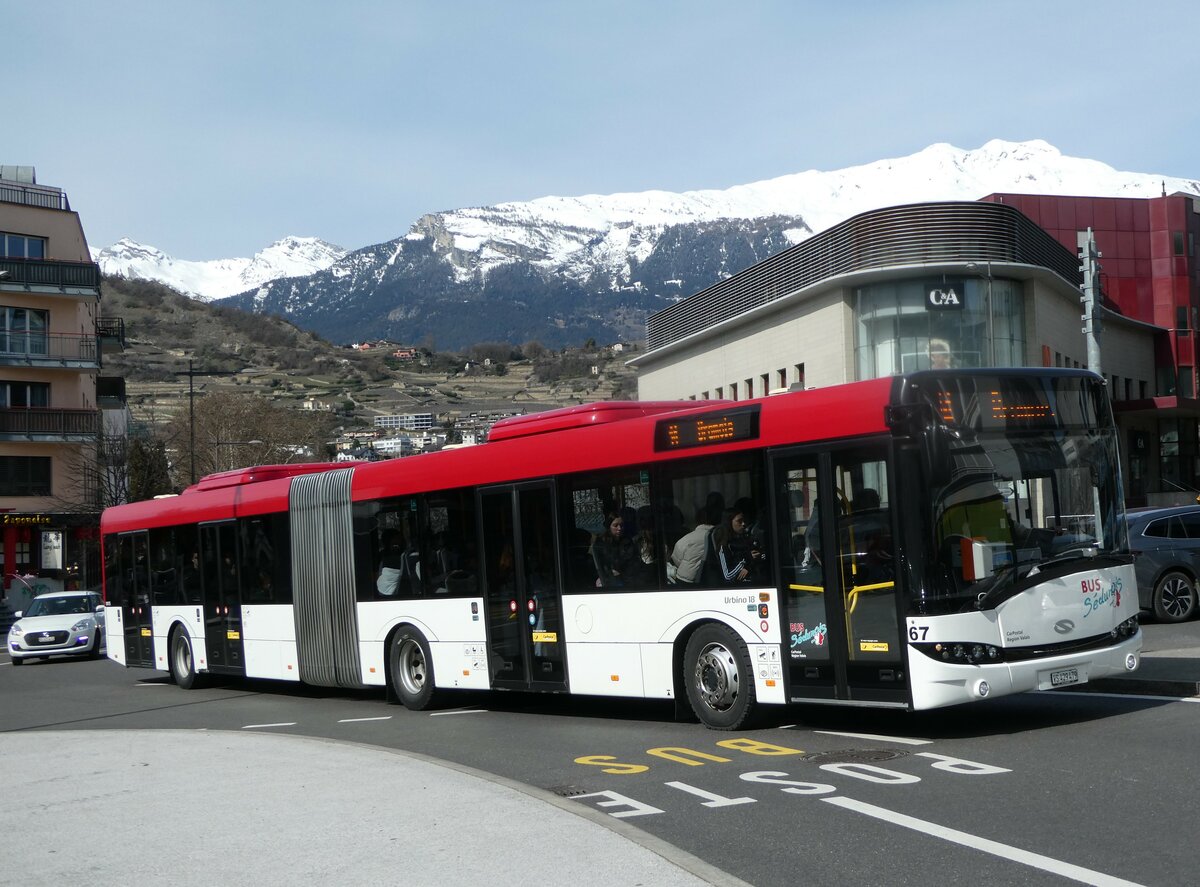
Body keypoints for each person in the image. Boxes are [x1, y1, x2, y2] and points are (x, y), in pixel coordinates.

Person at [711, 506, 763, 583]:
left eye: (744, 520)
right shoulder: (724, 546)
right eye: (739, 521)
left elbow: (759, 556)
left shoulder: (746, 539)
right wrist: (746, 559)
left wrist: (748, 566)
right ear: (729, 522)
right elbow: (727, 575)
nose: (743, 524)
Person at [669, 506, 717, 584]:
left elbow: (676, 557)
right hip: (713, 580)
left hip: (686, 580)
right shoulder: (720, 536)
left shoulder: (688, 538)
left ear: (697, 519)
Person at [591, 512, 638, 587]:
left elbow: (632, 561)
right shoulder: (601, 543)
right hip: (606, 578)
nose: (619, 528)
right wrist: (608, 572)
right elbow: (598, 563)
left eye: (621, 525)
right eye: (615, 525)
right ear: (609, 527)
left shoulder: (627, 541)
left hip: (626, 578)